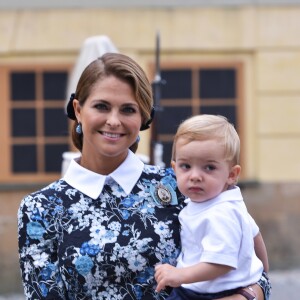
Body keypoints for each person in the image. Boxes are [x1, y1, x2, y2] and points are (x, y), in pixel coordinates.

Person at [18, 53, 270, 300]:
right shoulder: (40, 208)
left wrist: (246, 296)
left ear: (143, 118)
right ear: (79, 109)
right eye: (101, 106)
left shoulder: (182, 184)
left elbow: (253, 271)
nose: (114, 121)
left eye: (128, 109)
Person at [155, 114, 271, 300]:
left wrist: (179, 275)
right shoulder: (224, 202)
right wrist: (261, 273)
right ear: (174, 168)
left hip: (213, 293)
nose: (195, 176)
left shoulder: (220, 213)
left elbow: (222, 263)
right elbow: (255, 236)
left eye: (208, 167)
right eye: (186, 166)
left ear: (232, 175)